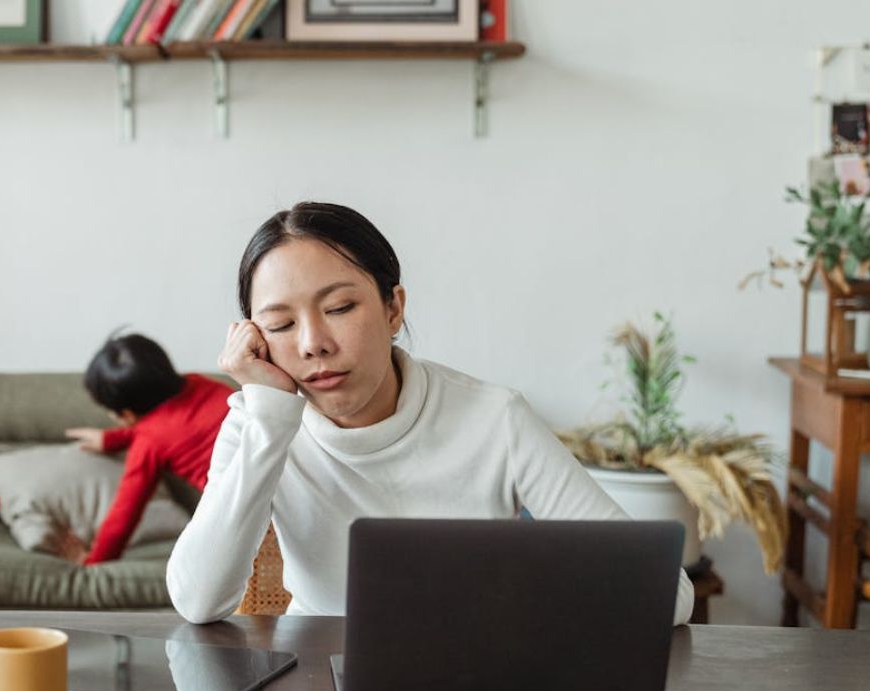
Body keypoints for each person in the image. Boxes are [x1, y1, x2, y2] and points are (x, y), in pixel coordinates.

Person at [166, 202, 694, 624]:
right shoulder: (260, 423)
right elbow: (197, 601)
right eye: (280, 325)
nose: (313, 344)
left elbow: (667, 595)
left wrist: (519, 604)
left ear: (393, 308)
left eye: (340, 308)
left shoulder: (494, 419)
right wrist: (269, 417)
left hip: (473, 679)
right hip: (314, 686)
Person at [64, 333, 232, 565]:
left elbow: (124, 514)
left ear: (127, 414)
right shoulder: (200, 383)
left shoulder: (148, 444)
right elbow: (178, 424)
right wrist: (113, 439)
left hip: (243, 513)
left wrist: (95, 560)